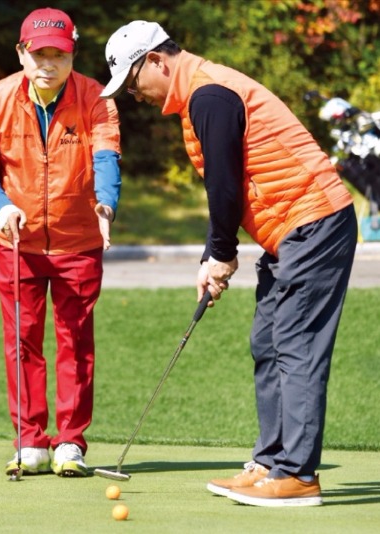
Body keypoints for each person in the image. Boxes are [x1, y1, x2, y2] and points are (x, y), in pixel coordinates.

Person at [100, 20, 357, 506]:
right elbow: (224, 188)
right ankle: (269, 462)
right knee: (267, 341)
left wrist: (222, 252)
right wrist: (211, 254)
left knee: (295, 345)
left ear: (156, 60)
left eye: (134, 83)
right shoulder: (200, 95)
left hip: (315, 221)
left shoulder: (209, 95)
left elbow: (225, 184)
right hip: (291, 229)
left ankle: (297, 475)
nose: (136, 96)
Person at [0, 7, 122, 478]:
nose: (48, 64)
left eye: (59, 55)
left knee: (76, 342)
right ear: (21, 53)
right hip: (17, 242)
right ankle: (30, 440)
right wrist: (1, 203)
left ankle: (70, 441)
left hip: (79, 241)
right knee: (22, 340)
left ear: (73, 56)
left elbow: (107, 155)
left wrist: (106, 204)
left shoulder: (97, 97)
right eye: (39, 54)